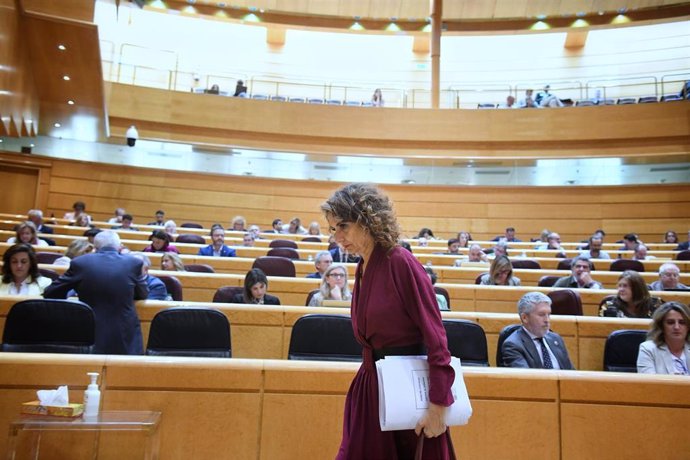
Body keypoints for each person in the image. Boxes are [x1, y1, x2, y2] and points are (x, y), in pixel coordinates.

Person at [322, 183, 456, 459]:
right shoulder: (362, 266)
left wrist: (439, 401)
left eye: (343, 226)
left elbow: (436, 336)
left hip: (407, 389)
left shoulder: (400, 261)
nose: (337, 237)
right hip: (372, 388)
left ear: (367, 220)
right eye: (333, 229)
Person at [44, 231, 148, 354]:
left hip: (89, 330)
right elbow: (142, 294)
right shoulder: (133, 263)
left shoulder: (81, 263)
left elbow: (51, 292)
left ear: (95, 247)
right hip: (124, 332)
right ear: (119, 246)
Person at [501, 292, 575, 369]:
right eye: (541, 315)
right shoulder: (513, 345)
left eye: (549, 314)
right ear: (524, 318)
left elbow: (571, 373)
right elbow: (526, 379)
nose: (547, 320)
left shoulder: (555, 339)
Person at [637, 302, 690, 375]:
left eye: (682, 322)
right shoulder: (648, 349)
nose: (676, 327)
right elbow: (648, 384)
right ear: (661, 326)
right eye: (670, 322)